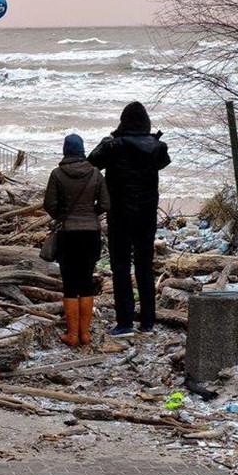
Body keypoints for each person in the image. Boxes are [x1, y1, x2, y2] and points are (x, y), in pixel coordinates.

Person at [88, 101, 170, 337]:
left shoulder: (114, 146)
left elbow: (92, 160)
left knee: (121, 267)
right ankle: (147, 322)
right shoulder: (157, 147)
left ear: (123, 122)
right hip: (146, 213)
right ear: (146, 123)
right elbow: (162, 162)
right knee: (145, 266)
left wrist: (111, 139)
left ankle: (125, 322)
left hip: (120, 213)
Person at [43, 134, 110, 346]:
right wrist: (92, 214)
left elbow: (49, 204)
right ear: (82, 151)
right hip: (90, 234)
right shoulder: (95, 174)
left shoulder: (57, 174)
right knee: (87, 281)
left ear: (65, 151)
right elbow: (106, 204)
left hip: (68, 234)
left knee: (70, 283)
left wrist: (62, 216)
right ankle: (85, 334)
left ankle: (72, 335)